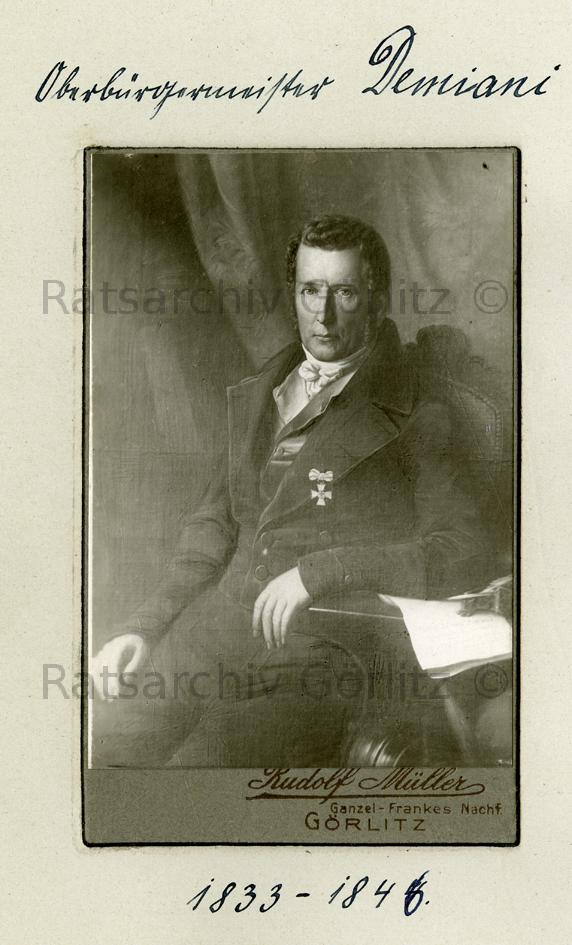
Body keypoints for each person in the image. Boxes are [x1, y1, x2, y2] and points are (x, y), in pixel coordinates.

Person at [92, 214, 488, 767]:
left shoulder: (420, 411)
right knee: (108, 750)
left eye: (344, 293)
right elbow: (213, 527)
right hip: (220, 628)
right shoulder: (263, 390)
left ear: (376, 301)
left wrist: (320, 571)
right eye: (310, 291)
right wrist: (144, 626)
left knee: (198, 776)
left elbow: (461, 549)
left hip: (325, 645)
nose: (323, 314)